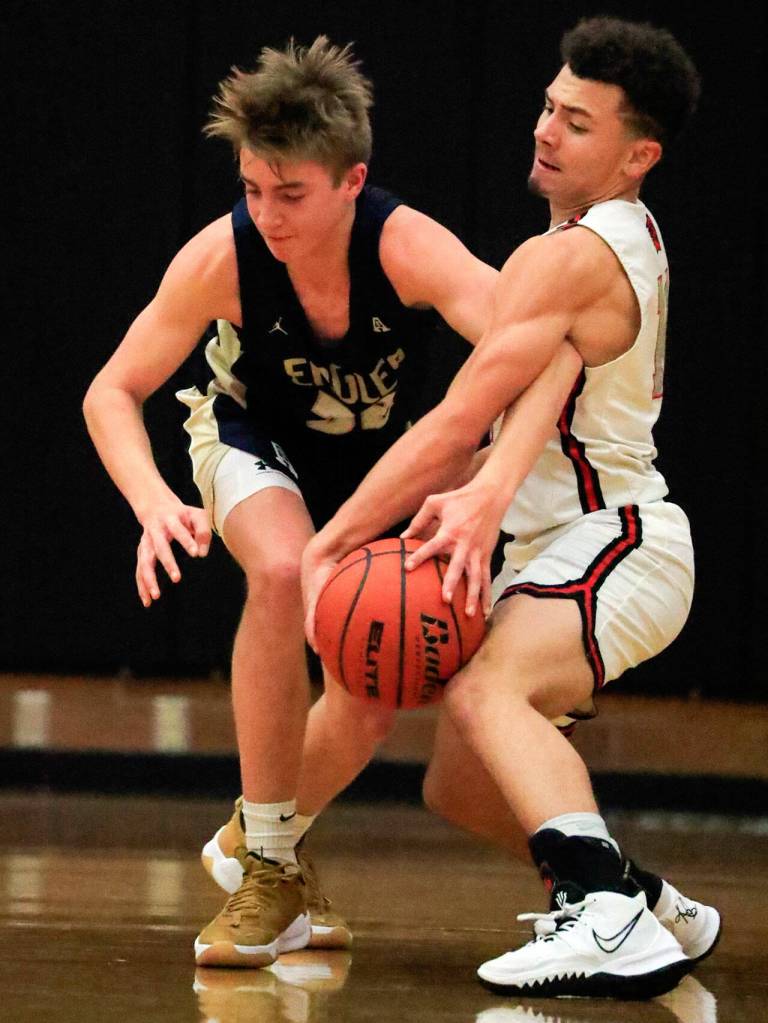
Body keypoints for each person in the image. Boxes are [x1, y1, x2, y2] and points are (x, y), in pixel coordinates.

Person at [83, 34, 578, 968]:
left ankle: (260, 841)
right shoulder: (220, 257)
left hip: (383, 474)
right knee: (278, 570)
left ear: (353, 181)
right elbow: (110, 391)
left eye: (292, 194)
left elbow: (543, 350)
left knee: (371, 695)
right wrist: (151, 500)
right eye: (252, 189)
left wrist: (491, 476)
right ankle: (268, 867)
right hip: (252, 442)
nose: (266, 214)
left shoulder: (407, 244)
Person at [302, 17, 719, 999]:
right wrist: (484, 493)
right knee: (459, 782)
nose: (544, 130)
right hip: (563, 542)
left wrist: (327, 546)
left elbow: (454, 423)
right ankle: (644, 903)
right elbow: (509, 428)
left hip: (618, 536)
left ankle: (602, 918)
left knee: (488, 694)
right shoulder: (598, 244)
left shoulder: (576, 255)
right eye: (546, 106)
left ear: (637, 153)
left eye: (576, 122)